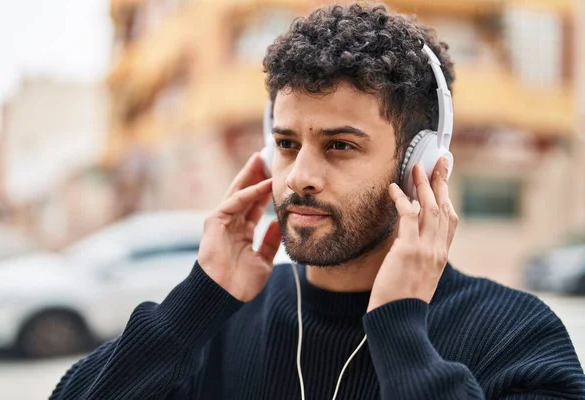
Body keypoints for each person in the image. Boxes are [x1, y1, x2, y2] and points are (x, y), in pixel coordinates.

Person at [51, 3, 584, 399]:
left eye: (340, 146)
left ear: (417, 164)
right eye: (286, 144)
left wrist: (401, 331)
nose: (300, 176)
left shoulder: (517, 335)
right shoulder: (221, 323)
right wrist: (197, 303)